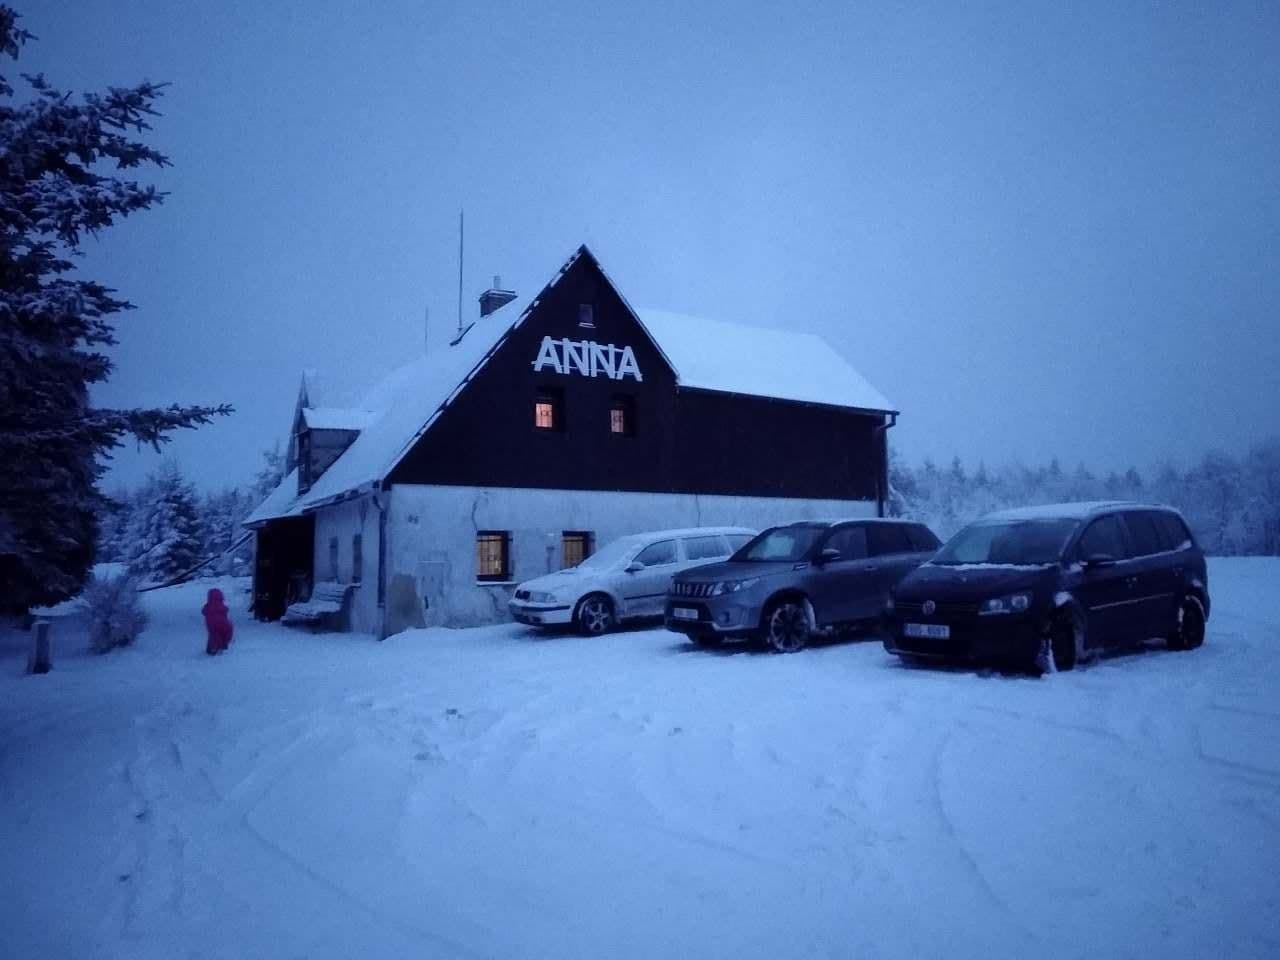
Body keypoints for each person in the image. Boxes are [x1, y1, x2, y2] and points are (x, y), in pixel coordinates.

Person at [202, 587, 234, 656]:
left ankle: (212, 648)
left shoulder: (208, 607)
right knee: (222, 635)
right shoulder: (221, 606)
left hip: (212, 625)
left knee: (213, 635)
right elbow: (225, 611)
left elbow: (204, 611)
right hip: (223, 624)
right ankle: (219, 647)